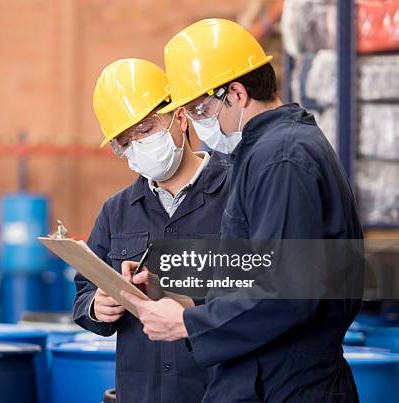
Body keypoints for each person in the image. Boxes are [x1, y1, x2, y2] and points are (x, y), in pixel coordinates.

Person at [121, 19, 363, 402]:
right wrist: (176, 289)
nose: (199, 126)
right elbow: (256, 268)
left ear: (235, 93)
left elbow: (288, 292)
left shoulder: (281, 159)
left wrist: (187, 323)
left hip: (286, 385)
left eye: (200, 110)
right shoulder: (261, 153)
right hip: (263, 377)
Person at [72, 58, 231, 403]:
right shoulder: (116, 211)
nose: (137, 146)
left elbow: (263, 289)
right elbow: (84, 292)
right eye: (125, 142)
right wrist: (98, 307)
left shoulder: (237, 193)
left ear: (180, 117)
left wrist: (186, 302)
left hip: (218, 391)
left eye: (144, 129)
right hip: (142, 393)